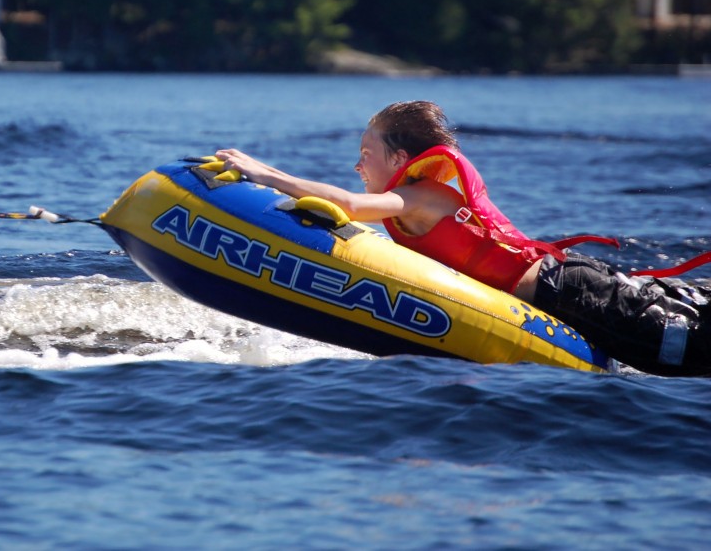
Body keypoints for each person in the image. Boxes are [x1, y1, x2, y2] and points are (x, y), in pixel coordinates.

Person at [216, 100, 711, 376]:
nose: (357, 164)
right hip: (568, 291)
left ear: (399, 159)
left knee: (683, 351)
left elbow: (348, 205)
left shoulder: (419, 194)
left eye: (367, 153)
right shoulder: (414, 203)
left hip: (575, 291)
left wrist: (265, 173)